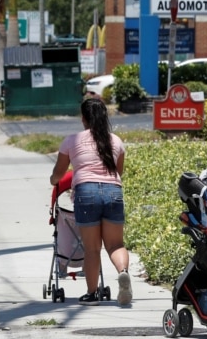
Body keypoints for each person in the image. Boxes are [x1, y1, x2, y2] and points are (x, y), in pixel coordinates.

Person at [49, 97, 132, 306]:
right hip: (113, 191)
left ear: (84, 118)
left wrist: (53, 180)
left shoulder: (72, 141)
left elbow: (58, 174)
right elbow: (118, 172)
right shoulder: (116, 141)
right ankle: (123, 272)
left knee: (92, 248)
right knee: (115, 244)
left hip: (86, 193)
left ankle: (92, 293)